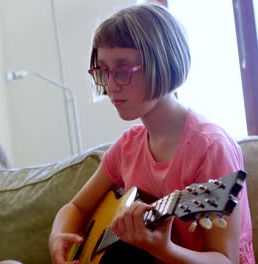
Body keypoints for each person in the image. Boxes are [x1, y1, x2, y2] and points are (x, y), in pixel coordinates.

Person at [48, 3, 254, 264]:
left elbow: (226, 260)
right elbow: (76, 207)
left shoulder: (211, 147)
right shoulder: (127, 147)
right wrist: (57, 236)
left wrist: (164, 249)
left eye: (122, 71)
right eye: (103, 71)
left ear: (163, 63)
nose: (110, 86)